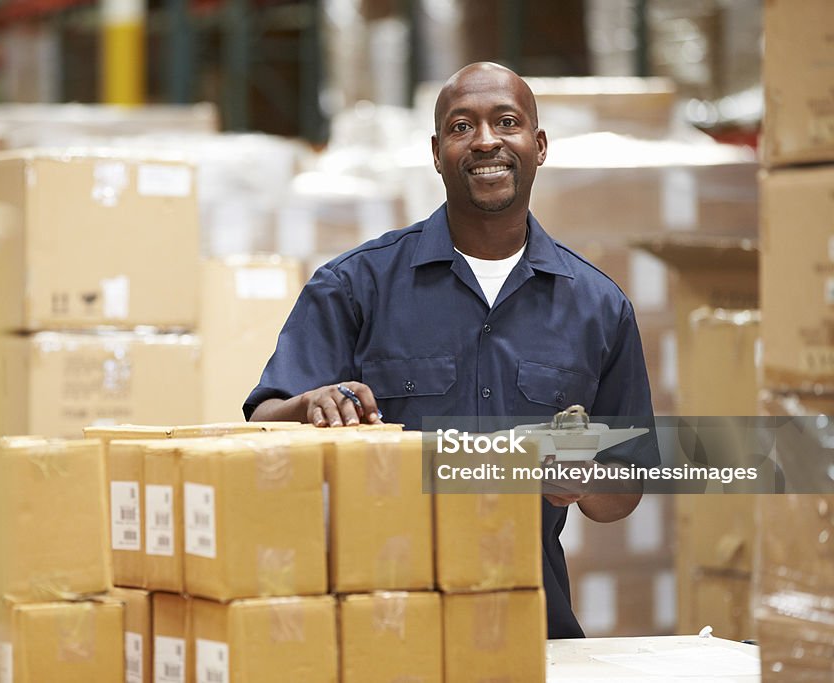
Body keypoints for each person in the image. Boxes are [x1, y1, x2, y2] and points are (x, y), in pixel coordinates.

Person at [244, 62, 656, 638]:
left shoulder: (599, 308)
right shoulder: (355, 285)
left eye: (506, 122)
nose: (486, 141)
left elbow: (625, 490)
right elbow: (262, 424)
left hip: (531, 626)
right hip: (383, 626)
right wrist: (311, 405)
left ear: (538, 146)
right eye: (463, 127)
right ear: (438, 153)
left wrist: (584, 478)